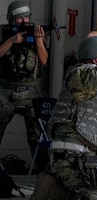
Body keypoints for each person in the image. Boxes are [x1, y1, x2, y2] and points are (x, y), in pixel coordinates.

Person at [31, 36, 97, 200]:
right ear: (96, 57)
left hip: (82, 156)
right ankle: (58, 190)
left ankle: (57, 189)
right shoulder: (81, 72)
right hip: (73, 155)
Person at [0, 1, 49, 173]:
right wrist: (12, 40)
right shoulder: (3, 32)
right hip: (5, 91)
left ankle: (40, 174)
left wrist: (39, 40)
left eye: (26, 17)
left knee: (38, 135)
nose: (23, 20)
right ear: (11, 19)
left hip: (30, 92)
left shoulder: (37, 33)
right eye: (19, 18)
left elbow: (43, 60)